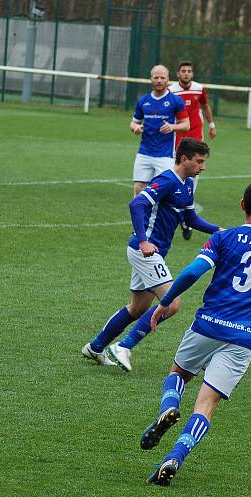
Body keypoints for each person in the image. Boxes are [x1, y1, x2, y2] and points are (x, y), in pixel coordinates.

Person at [140, 181, 251, 486]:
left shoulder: (223, 237)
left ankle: (169, 407)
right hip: (244, 337)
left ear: (241, 205)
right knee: (206, 405)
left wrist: (167, 301)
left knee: (179, 373)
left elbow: (192, 272)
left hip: (208, 324)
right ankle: (174, 457)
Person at [81, 138, 222, 371]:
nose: (202, 167)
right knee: (173, 303)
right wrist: (144, 241)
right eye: (199, 162)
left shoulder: (186, 185)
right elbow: (137, 205)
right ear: (184, 158)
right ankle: (124, 346)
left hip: (154, 253)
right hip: (144, 250)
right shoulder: (166, 180)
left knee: (137, 308)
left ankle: (95, 347)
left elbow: (190, 219)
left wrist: (218, 231)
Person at [169, 61, 217, 241]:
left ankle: (186, 215)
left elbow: (205, 106)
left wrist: (211, 125)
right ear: (178, 73)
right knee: (177, 174)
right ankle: (182, 216)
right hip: (179, 138)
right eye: (183, 71)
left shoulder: (199, 88)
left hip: (196, 137)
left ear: (192, 73)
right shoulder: (172, 90)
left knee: (194, 176)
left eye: (189, 71)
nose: (187, 74)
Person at [130, 64, 190, 198]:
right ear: (151, 79)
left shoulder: (175, 101)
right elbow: (134, 122)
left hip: (165, 155)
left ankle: (160, 218)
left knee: (164, 191)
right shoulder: (143, 101)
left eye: (162, 77)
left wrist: (172, 127)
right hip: (144, 153)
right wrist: (136, 127)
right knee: (139, 187)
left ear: (168, 79)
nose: (159, 80)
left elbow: (186, 125)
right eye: (156, 77)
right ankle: (140, 218)